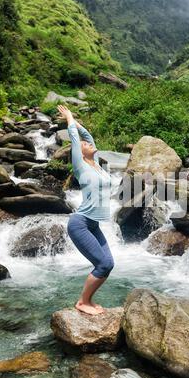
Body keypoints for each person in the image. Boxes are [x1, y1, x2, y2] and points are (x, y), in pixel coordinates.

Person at [57, 105, 114, 316]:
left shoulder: (96, 164)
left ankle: (87, 300)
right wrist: (69, 118)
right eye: (84, 144)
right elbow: (74, 137)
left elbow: (85, 134)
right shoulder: (80, 165)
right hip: (80, 223)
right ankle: (83, 302)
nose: (88, 143)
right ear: (79, 152)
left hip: (93, 224)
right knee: (103, 263)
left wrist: (79, 124)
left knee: (108, 265)